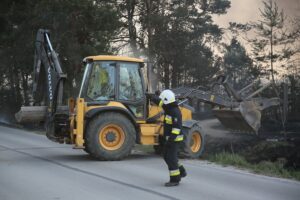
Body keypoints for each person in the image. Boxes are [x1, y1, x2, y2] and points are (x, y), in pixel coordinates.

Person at [149, 89, 187, 187]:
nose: (162, 103)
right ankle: (181, 171)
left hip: (175, 138)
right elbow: (160, 102)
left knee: (171, 158)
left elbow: (176, 129)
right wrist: (153, 96)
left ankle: (175, 179)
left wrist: (170, 140)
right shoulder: (168, 107)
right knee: (166, 156)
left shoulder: (175, 112)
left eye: (163, 100)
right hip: (169, 138)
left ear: (167, 101)